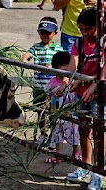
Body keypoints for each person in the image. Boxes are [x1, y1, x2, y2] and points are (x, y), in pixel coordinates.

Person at [64, 7, 106, 190]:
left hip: (101, 96)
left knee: (99, 135)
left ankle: (99, 173)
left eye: (88, 29)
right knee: (83, 130)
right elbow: (74, 67)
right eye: (81, 29)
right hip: (82, 94)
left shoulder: (104, 43)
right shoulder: (79, 43)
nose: (84, 33)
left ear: (99, 25)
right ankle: (86, 167)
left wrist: (94, 86)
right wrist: (70, 81)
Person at [21, 17, 63, 146]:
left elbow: (65, 65)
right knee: (40, 112)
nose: (44, 35)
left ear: (55, 33)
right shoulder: (36, 47)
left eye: (48, 33)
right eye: (42, 32)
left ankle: (54, 136)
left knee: (53, 113)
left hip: (54, 89)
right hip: (39, 87)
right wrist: (25, 59)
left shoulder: (59, 50)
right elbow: (27, 54)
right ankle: (43, 134)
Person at [44, 51, 81, 163]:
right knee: (57, 133)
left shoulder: (73, 81)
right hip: (57, 113)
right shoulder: (52, 82)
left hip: (70, 113)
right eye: (61, 66)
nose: (64, 68)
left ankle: (76, 152)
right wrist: (47, 105)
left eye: (66, 65)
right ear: (55, 67)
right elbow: (48, 95)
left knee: (75, 133)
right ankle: (59, 154)